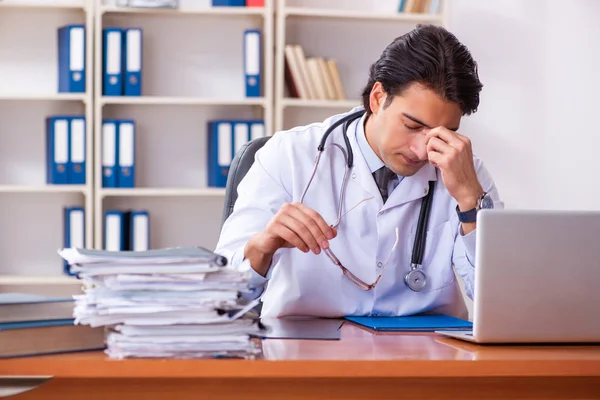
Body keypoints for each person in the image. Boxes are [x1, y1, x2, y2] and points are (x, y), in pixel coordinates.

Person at [215, 24, 501, 318]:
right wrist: (262, 249)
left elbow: (501, 300)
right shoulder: (289, 155)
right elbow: (222, 298)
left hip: (426, 354)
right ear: (378, 98)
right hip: (305, 353)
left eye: (443, 133)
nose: (421, 150)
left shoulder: (468, 173)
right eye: (413, 126)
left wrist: (470, 202)